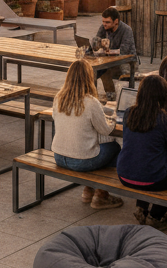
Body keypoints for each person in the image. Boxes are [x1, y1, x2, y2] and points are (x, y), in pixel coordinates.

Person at [116, 74, 167, 231]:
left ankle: (142, 208)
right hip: (152, 179)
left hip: (124, 174)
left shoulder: (129, 113)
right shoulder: (164, 119)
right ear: (164, 95)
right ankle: (156, 216)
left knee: (143, 162)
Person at [51, 60, 123, 210]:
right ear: (89, 77)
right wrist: (113, 120)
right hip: (81, 161)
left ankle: (88, 189)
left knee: (96, 149)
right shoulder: (91, 102)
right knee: (114, 148)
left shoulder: (59, 97)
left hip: (59, 156)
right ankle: (101, 194)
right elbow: (105, 130)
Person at [92, 6, 138, 100]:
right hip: (111, 60)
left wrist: (108, 51)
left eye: (107, 22)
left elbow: (124, 51)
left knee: (106, 68)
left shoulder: (126, 30)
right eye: (103, 21)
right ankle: (109, 94)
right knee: (95, 70)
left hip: (127, 61)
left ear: (116, 21)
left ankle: (118, 96)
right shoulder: (104, 27)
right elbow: (95, 44)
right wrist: (99, 43)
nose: (104, 24)